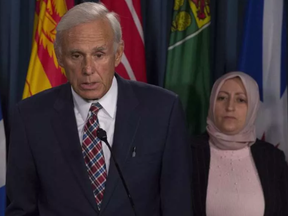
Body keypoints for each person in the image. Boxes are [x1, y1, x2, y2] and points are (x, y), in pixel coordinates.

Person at [6, 2, 192, 216]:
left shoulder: (162, 110)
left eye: (99, 55)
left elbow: (178, 205)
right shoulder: (30, 117)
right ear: (59, 57)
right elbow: (21, 209)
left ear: (118, 53)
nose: (88, 69)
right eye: (76, 56)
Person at [191, 71, 288, 216]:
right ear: (211, 103)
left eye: (241, 100)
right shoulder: (187, 152)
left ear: (253, 107)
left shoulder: (273, 158)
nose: (230, 107)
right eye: (222, 97)